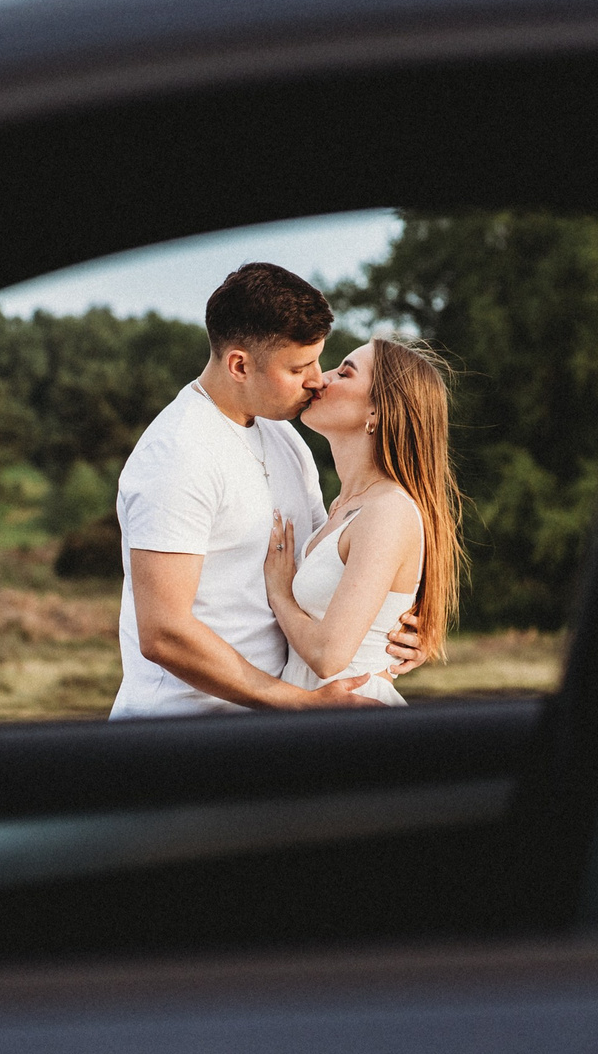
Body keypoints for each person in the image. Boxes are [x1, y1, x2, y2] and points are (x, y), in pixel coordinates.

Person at [110, 263, 421, 719]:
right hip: (178, 730)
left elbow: (323, 570)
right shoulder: (177, 454)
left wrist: (397, 633)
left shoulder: (285, 439)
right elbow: (163, 633)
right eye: (298, 367)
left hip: (265, 727)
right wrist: (303, 704)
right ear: (239, 365)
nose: (317, 379)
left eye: (319, 360)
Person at [264, 337, 463, 708]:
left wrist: (280, 594)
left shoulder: (388, 510)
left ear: (376, 411)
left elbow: (328, 656)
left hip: (352, 715)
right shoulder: (344, 505)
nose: (320, 379)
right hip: (316, 713)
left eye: (344, 372)